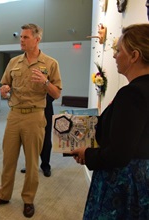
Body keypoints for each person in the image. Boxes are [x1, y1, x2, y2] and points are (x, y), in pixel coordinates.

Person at [72, 23, 149, 219]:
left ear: (134, 56)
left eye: (118, 50)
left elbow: (119, 153)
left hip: (124, 182)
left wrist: (88, 154)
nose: (114, 56)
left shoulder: (132, 94)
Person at [0, 23, 62, 218]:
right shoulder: (13, 62)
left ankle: (28, 200)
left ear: (37, 39)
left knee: (32, 161)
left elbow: (57, 93)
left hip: (35, 116)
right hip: (14, 115)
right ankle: (3, 195)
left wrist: (45, 83)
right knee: (8, 158)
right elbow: (4, 84)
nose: (21, 40)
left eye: (25, 37)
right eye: (20, 37)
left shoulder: (50, 63)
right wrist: (3, 89)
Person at [20, 94, 55, 177]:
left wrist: (43, 98)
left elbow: (55, 92)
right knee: (29, 138)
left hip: (45, 108)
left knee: (46, 138)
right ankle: (30, 165)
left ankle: (45, 165)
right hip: (30, 108)